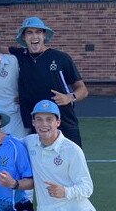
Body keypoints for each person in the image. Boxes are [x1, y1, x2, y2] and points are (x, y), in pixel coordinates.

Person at [24, 100, 115, 211]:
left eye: (49, 119)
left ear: (58, 122)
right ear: (33, 122)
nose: (44, 124)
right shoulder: (29, 142)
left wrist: (65, 191)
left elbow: (87, 187)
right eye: (39, 119)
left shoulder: (72, 150)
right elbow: (6, 142)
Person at [10, 17, 88, 148]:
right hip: (37, 127)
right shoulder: (20, 56)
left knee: (71, 165)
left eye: (38, 32)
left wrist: (69, 97)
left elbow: (83, 90)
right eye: (29, 32)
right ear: (23, 37)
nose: (34, 36)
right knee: (42, 167)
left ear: (44, 35)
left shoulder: (61, 58)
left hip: (65, 124)